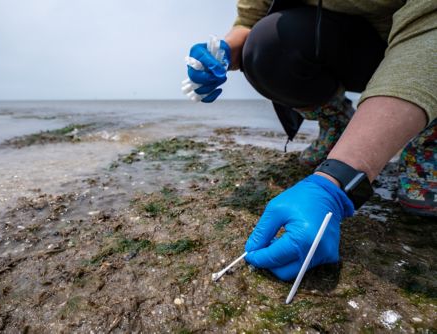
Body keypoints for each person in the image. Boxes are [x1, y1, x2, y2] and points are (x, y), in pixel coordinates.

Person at [185, 0, 436, 281]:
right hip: (345, 45)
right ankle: (337, 120)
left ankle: (428, 133)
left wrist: (337, 179)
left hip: (423, 41)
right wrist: (226, 50)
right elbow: (250, 20)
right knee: (266, 45)